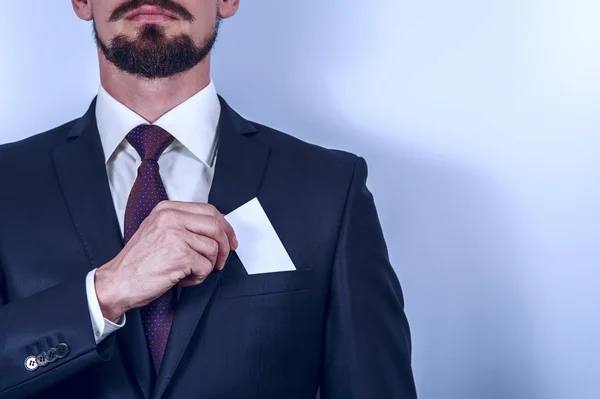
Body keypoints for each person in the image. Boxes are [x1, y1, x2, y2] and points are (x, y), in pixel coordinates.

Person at [0, 1, 417, 398]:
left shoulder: (329, 188)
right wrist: (104, 293)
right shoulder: (7, 182)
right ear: (81, 0)